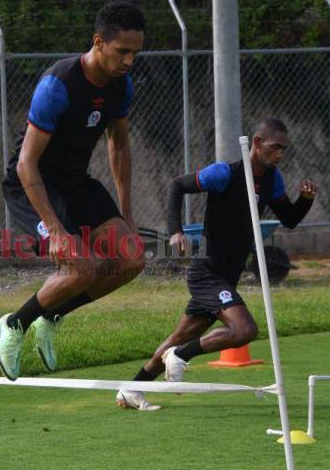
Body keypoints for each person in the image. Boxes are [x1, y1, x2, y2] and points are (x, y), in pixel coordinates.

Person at [116, 118, 318, 410]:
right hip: (207, 272)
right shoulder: (224, 173)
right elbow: (176, 186)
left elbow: (289, 218)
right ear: (258, 143)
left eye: (284, 149)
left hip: (226, 275)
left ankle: (131, 390)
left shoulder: (273, 179)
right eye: (275, 148)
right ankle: (181, 355)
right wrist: (176, 230)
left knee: (180, 335)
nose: (280, 155)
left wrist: (305, 200)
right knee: (244, 330)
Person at [0, 1, 147, 380]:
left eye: (135, 53)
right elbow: (25, 163)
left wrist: (127, 214)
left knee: (131, 260)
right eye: (122, 51)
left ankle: (51, 316)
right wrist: (58, 232)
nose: (129, 61)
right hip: (32, 184)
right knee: (83, 267)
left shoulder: (121, 85)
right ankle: (14, 324)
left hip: (74, 181)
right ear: (98, 42)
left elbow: (119, 146)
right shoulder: (58, 84)